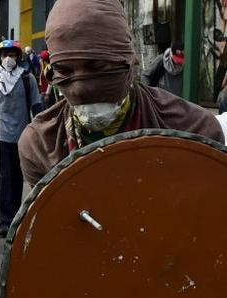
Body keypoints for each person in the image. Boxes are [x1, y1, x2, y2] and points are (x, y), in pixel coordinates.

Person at [19, 0, 224, 189]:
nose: (82, 89)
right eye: (65, 71)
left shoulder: (193, 132)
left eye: (98, 66)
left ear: (127, 61)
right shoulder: (40, 146)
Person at [0, 39, 43, 237]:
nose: (9, 59)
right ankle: (5, 221)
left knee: (19, 178)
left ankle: (17, 216)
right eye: (5, 55)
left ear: (18, 57)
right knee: (4, 177)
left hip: (23, 135)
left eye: (13, 55)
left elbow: (37, 106)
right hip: (1, 135)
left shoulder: (27, 79)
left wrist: (40, 130)